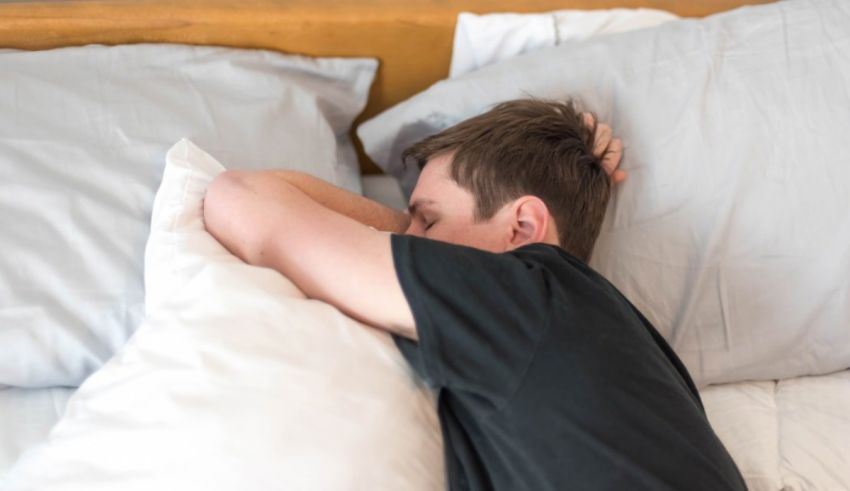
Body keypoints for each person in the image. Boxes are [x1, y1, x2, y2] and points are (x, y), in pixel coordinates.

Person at [202, 99, 747, 491]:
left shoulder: (519, 293)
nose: (407, 240)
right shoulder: (609, 340)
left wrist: (407, 240)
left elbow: (240, 199)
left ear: (522, 227)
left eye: (428, 219)